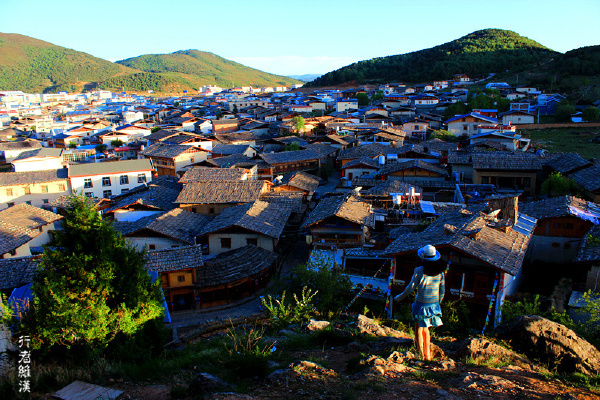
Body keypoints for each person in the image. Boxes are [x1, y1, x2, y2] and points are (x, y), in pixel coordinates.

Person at [394, 244, 446, 361]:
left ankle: (420, 354)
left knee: (418, 327)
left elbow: (410, 287)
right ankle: (427, 355)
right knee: (426, 328)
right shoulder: (440, 273)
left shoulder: (419, 271)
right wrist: (438, 303)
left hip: (421, 304)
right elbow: (442, 291)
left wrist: (399, 298)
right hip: (433, 304)